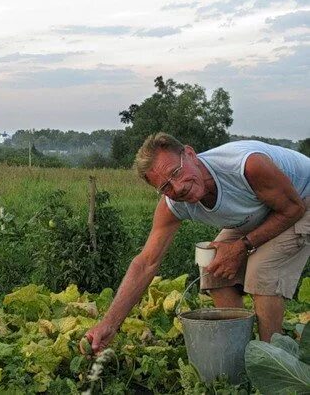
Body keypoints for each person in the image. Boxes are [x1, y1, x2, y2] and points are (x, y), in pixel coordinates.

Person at [85, 132, 310, 353]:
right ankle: (238, 356)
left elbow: (293, 209)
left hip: (301, 198)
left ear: (191, 154)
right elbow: (146, 263)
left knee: (262, 270)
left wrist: (242, 246)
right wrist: (109, 324)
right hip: (267, 205)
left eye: (176, 172)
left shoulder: (246, 166)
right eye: (165, 187)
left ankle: (273, 365)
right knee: (213, 267)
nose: (178, 187)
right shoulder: (173, 205)